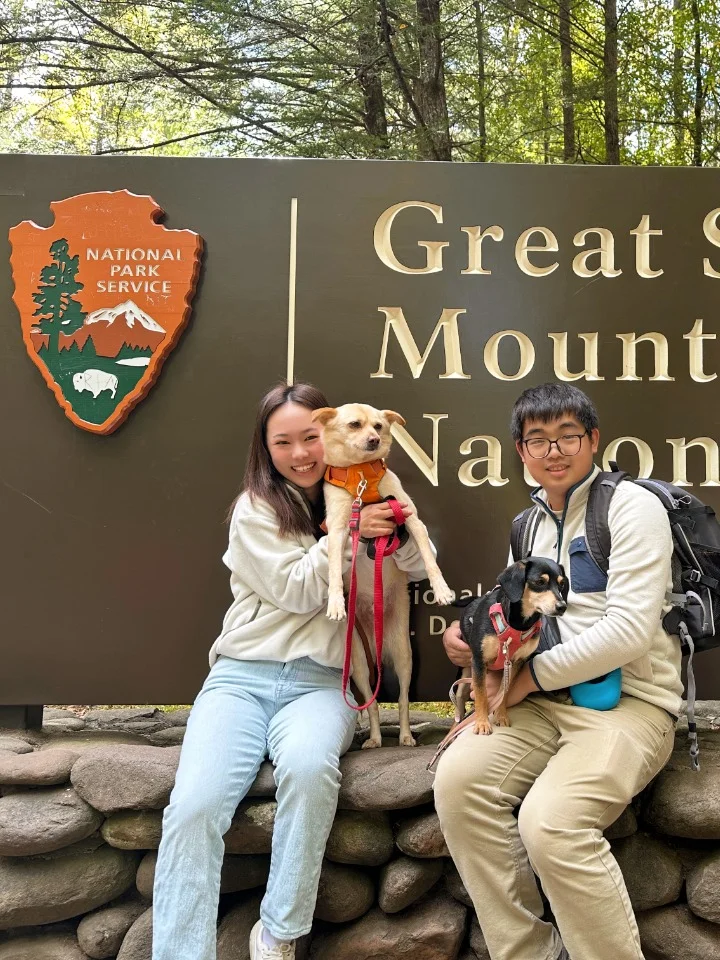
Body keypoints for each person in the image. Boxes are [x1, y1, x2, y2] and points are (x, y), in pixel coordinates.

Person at [152, 382, 431, 960]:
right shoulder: (255, 511)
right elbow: (300, 591)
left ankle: (278, 934)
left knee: (309, 773)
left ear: (332, 434)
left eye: (311, 437)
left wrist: (393, 526)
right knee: (195, 806)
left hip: (320, 685)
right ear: (266, 449)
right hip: (241, 679)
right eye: (284, 443)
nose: (302, 453)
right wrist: (349, 529)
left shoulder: (366, 490)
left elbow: (415, 568)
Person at [434, 382, 683, 960]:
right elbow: (508, 613)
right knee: (458, 781)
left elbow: (629, 631)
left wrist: (526, 679)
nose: (553, 450)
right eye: (537, 439)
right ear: (520, 451)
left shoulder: (631, 508)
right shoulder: (528, 526)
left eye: (568, 435)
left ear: (593, 440)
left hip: (631, 704)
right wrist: (473, 637)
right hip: (540, 703)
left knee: (553, 824)